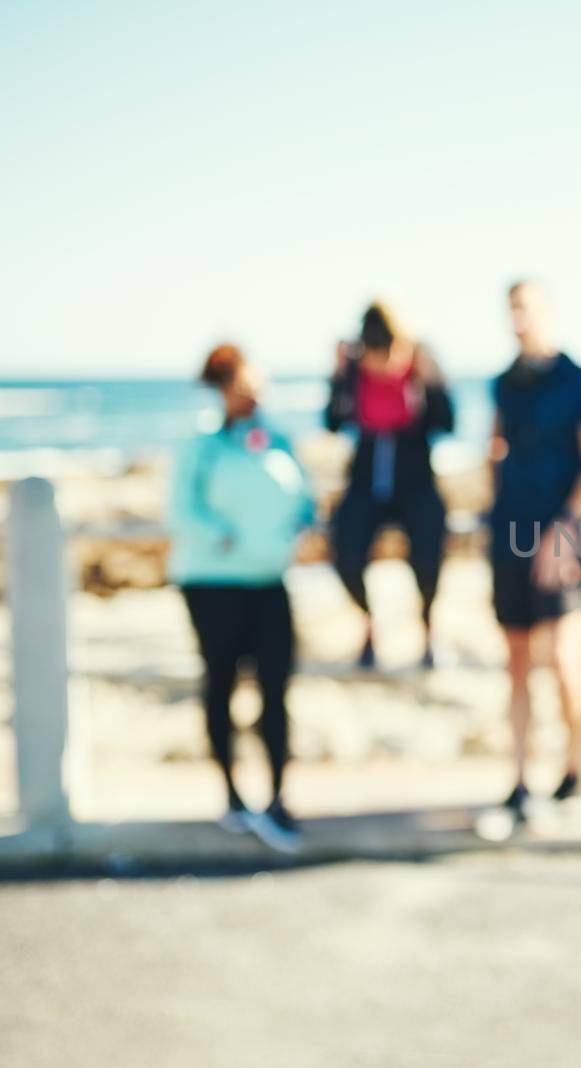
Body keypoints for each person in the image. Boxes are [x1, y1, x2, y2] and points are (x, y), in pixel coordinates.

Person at [169, 345, 315, 854]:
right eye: (244, 386)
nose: (253, 395)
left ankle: (278, 798)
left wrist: (293, 532)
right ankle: (232, 796)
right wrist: (227, 537)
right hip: (212, 585)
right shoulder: (202, 446)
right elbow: (181, 511)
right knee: (222, 684)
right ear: (224, 387)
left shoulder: (277, 440)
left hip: (270, 583)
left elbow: (306, 499)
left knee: (276, 688)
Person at [486, 280, 581, 816]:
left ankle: (572, 772)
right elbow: (496, 448)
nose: (518, 318)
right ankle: (518, 783)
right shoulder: (502, 385)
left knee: (564, 659)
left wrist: (561, 536)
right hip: (509, 531)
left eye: (527, 308)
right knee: (516, 663)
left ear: (548, 313)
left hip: (567, 534)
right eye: (511, 309)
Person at [324, 302, 455, 669]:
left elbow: (446, 423)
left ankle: (428, 627)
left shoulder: (418, 365)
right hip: (366, 481)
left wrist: (433, 382)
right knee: (346, 552)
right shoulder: (352, 371)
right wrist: (337, 376)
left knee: (429, 557)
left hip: (414, 479)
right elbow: (332, 422)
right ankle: (368, 623)